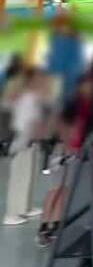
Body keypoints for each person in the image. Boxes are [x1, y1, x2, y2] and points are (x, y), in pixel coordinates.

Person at [36, 73, 93, 247]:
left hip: (75, 151)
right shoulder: (72, 103)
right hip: (62, 151)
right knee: (55, 189)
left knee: (65, 189)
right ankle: (44, 227)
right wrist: (66, 145)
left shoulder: (87, 104)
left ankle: (56, 224)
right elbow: (60, 125)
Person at [3, 67, 44, 227]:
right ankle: (12, 213)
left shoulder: (31, 96)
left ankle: (25, 206)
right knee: (19, 175)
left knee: (29, 174)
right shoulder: (24, 97)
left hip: (30, 138)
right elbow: (22, 121)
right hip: (22, 139)